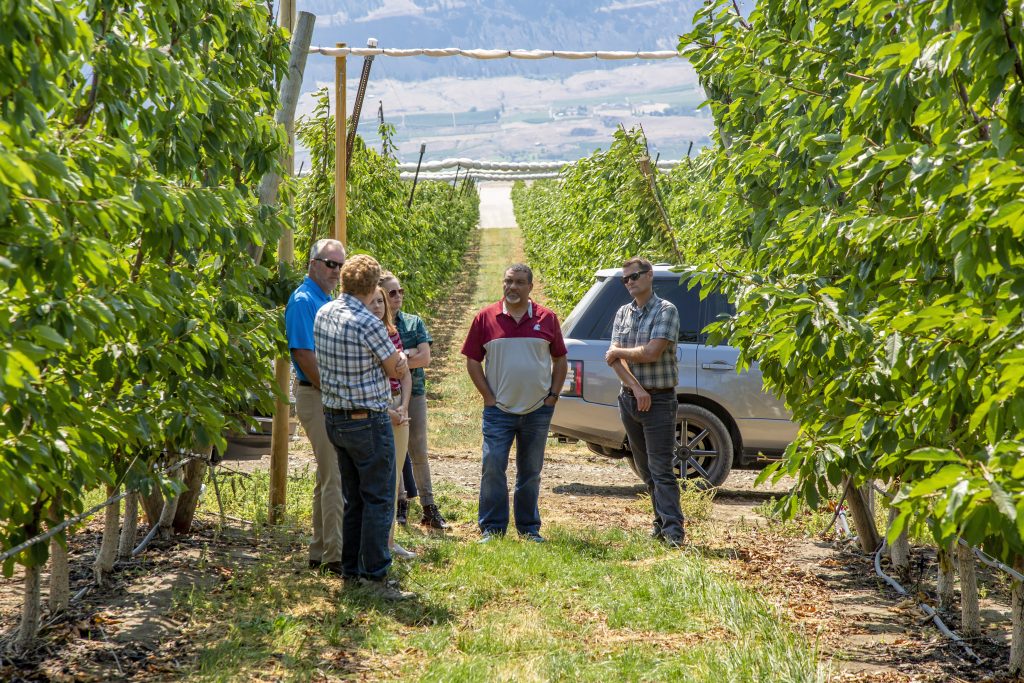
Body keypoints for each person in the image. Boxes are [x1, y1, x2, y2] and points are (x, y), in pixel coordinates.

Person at [315, 254, 413, 600]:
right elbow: (394, 367)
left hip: (335, 417)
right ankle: (375, 577)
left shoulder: (324, 313)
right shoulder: (368, 322)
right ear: (373, 287)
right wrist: (400, 360)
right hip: (367, 419)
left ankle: (351, 570)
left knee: (352, 498)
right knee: (379, 497)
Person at [461, 264, 568, 542]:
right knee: (493, 465)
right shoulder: (486, 318)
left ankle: (529, 528)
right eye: (508, 281)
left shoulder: (547, 319)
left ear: (530, 287)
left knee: (531, 471)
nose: (513, 287)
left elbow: (560, 360)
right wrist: (488, 397)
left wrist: (553, 396)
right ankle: (492, 528)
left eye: (520, 282)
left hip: (537, 410)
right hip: (499, 410)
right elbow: (473, 361)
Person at [605, 257, 684, 547]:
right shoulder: (623, 313)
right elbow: (612, 361)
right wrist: (637, 389)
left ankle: (675, 531)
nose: (630, 282)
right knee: (645, 469)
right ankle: (660, 524)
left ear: (650, 276)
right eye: (625, 279)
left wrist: (620, 353)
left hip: (660, 401)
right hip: (631, 398)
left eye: (635, 276)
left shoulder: (666, 311)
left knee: (661, 468)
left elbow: (652, 352)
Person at [285, 238, 345, 574]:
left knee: (327, 473)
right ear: (313, 263)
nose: (335, 271)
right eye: (330, 264)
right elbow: (304, 356)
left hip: (324, 392)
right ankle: (335, 556)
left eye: (340, 266)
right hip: (316, 393)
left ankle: (320, 549)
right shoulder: (304, 300)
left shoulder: (324, 299)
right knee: (334, 472)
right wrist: (334, 390)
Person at [379, 271, 449, 530]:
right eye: (392, 292)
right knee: (394, 451)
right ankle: (400, 504)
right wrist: (408, 357)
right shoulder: (376, 325)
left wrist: (400, 359)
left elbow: (425, 358)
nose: (398, 297)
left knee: (418, 449)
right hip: (385, 394)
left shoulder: (413, 323)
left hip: (414, 392)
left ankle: (428, 505)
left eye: (400, 291)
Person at [367, 285, 416, 560]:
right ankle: (379, 543)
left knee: (395, 472)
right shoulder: (362, 335)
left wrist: (404, 406)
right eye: (372, 301)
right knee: (380, 476)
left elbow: (404, 374)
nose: (377, 306)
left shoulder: (393, 335)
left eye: (381, 301)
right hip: (379, 406)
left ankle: (389, 540)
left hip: (398, 403)